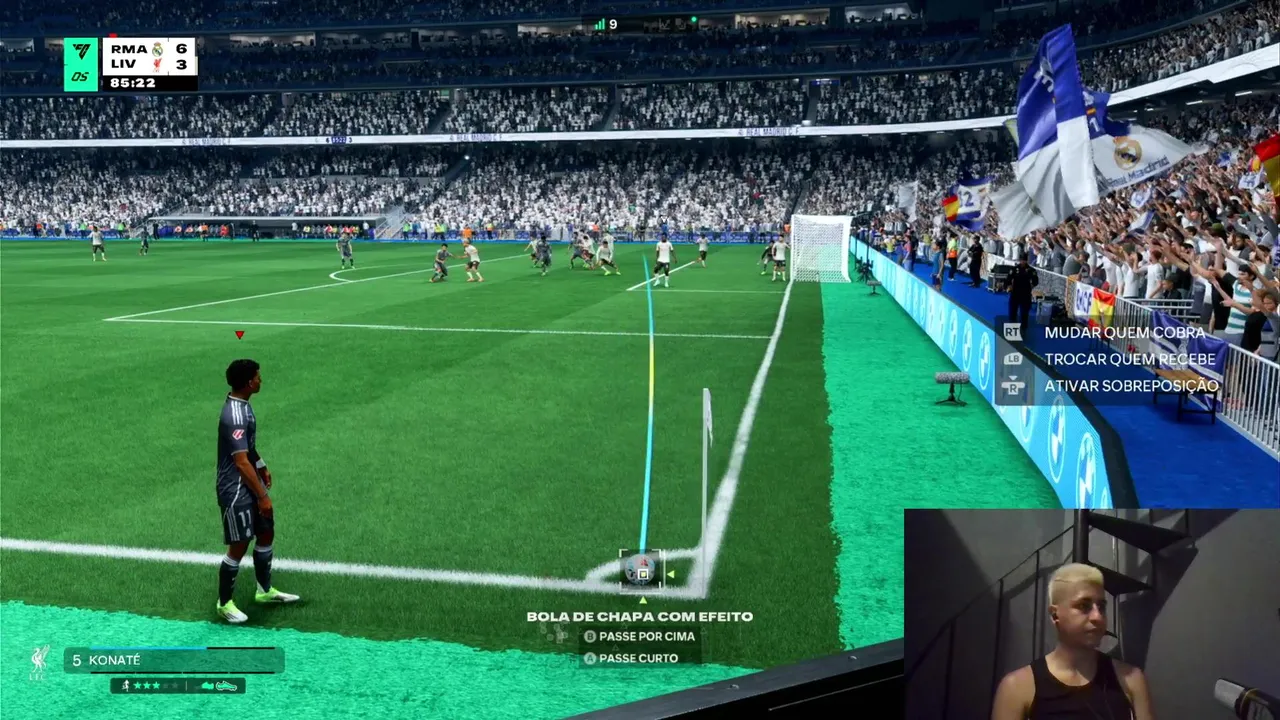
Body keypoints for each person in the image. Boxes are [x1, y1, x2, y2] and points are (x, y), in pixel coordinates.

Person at [992, 563, 1154, 720]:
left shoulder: (1131, 680)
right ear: (1055, 615)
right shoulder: (1017, 687)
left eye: (1101, 607)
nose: (1098, 617)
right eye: (1084, 606)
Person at [216, 359, 300, 624]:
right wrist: (263, 496)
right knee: (239, 546)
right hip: (235, 488)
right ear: (249, 382)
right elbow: (240, 462)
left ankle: (264, 590)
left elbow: (248, 449)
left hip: (249, 479)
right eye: (257, 377)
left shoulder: (244, 405)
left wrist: (261, 464)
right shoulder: (234, 415)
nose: (260, 380)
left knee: (266, 531)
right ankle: (224, 603)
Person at [1008, 254, 1040, 329]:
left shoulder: (1031, 270)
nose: (1022, 262)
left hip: (1025, 294)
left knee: (1024, 313)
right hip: (1015, 293)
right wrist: (1009, 286)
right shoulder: (1014, 269)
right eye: (1021, 260)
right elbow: (1008, 278)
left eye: (1024, 260)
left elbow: (1035, 281)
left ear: (1026, 261)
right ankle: (1012, 327)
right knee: (1012, 312)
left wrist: (1031, 286)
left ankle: (1023, 329)